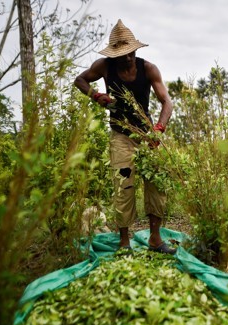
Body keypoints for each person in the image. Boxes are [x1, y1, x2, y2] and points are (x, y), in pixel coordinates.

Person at [74, 19, 176, 254]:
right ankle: (124, 242)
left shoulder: (148, 68)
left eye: (130, 53)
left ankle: (155, 238)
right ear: (113, 56)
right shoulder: (104, 66)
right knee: (124, 185)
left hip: (146, 134)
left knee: (156, 184)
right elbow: (80, 80)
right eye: (121, 55)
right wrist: (96, 95)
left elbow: (167, 102)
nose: (127, 58)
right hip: (120, 135)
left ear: (135, 50)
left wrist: (158, 130)